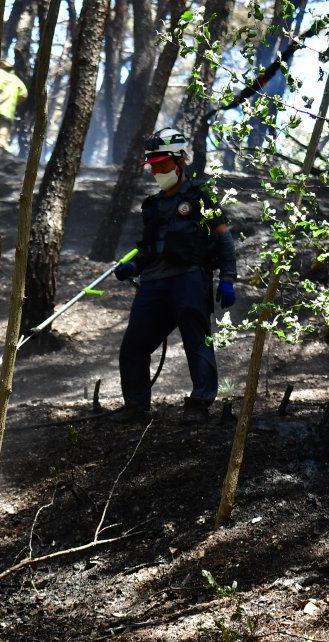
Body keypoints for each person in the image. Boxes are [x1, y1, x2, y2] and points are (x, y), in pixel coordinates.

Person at [112, 127, 237, 426]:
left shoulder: (200, 196)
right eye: (153, 165)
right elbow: (148, 247)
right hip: (153, 284)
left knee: (196, 341)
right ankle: (135, 404)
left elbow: (223, 237)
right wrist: (133, 266)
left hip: (189, 279)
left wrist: (228, 278)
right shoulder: (151, 206)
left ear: (180, 161)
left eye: (163, 164)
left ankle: (199, 403)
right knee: (134, 344)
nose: (157, 170)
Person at [0, 61, 29, 153]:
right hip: (7, 112)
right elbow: (24, 94)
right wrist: (15, 101)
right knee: (2, 137)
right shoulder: (15, 79)